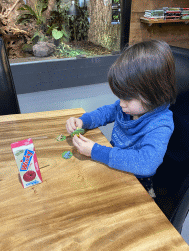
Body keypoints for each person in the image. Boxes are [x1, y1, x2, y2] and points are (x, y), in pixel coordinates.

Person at [66, 40, 177, 198]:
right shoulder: (128, 106)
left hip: (136, 185)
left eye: (127, 98)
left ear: (154, 92)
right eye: (120, 97)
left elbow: (147, 164)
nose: (121, 103)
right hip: (113, 166)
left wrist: (96, 151)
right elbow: (107, 112)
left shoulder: (161, 124)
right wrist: (83, 121)